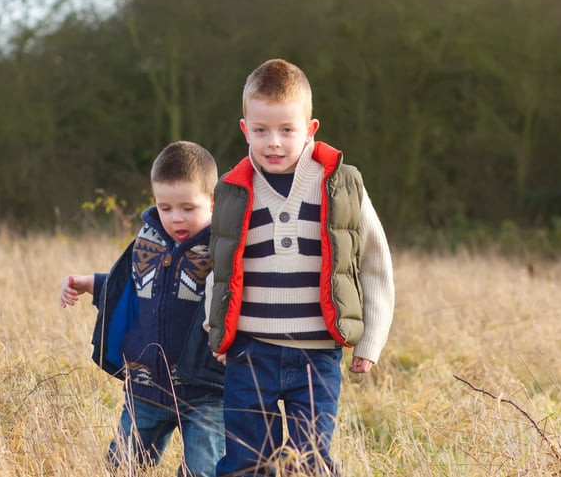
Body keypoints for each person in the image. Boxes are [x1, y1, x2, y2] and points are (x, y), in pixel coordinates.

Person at [205, 58, 395, 476]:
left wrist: (370, 341)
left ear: (310, 129)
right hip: (250, 350)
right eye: (261, 131)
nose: (273, 142)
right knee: (245, 460)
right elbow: (219, 270)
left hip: (316, 353)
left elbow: (376, 263)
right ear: (245, 129)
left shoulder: (340, 185)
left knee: (311, 461)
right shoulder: (234, 191)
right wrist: (217, 332)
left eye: (286, 130)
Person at [59, 141, 224, 477]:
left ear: (213, 201)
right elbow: (133, 290)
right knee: (122, 466)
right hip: (146, 386)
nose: (175, 218)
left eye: (188, 208)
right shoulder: (147, 242)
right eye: (165, 207)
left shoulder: (222, 249)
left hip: (206, 391)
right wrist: (90, 282)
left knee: (203, 470)